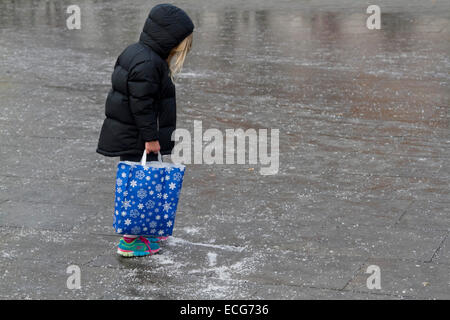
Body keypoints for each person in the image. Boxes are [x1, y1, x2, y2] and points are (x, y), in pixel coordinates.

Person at [96, 3, 194, 257]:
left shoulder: (137, 53)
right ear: (170, 39)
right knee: (140, 185)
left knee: (144, 183)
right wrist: (151, 138)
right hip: (138, 136)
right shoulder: (149, 64)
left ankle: (147, 228)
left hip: (132, 133)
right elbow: (142, 105)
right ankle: (130, 240)